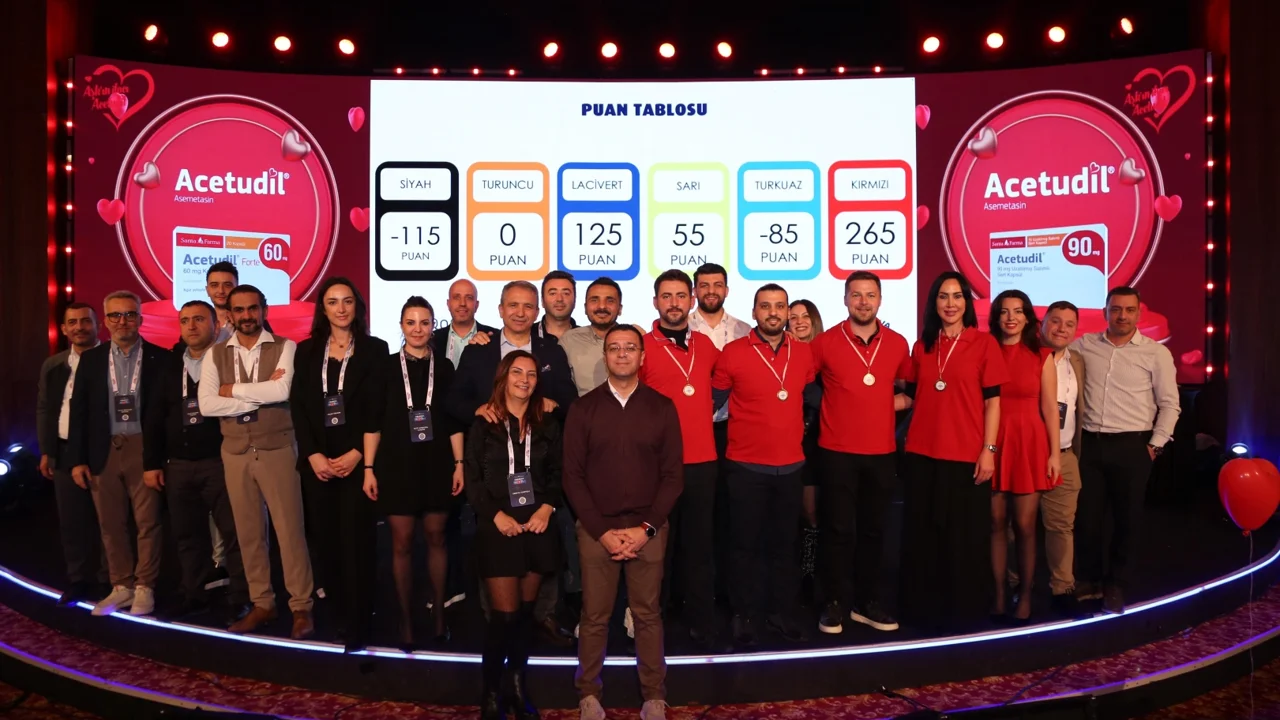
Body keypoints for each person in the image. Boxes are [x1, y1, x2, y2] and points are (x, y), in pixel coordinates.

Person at [563, 325, 683, 720]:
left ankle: (654, 695)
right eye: (614, 348)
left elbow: (673, 477)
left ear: (642, 356)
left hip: (648, 530)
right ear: (605, 357)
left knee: (647, 615)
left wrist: (646, 529)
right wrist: (601, 532)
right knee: (594, 617)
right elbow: (572, 477)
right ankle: (588, 694)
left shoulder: (662, 407)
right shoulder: (583, 409)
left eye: (630, 347)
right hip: (597, 531)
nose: (622, 354)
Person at [449, 280, 578, 647]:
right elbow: (453, 401)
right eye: (513, 305)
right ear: (500, 310)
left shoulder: (551, 350)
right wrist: (479, 410)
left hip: (538, 477)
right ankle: (495, 619)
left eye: (528, 306)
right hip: (493, 478)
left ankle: (543, 617)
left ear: (537, 312)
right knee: (496, 566)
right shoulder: (479, 349)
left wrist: (552, 404)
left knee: (544, 552)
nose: (520, 312)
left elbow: (570, 402)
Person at [198, 285, 316, 639]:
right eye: (239, 310)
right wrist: (259, 394)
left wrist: (231, 391)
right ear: (230, 314)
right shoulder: (215, 354)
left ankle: (301, 606)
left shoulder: (285, 347)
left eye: (253, 308)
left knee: (290, 532)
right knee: (249, 534)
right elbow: (207, 405)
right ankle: (263, 603)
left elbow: (281, 391)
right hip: (234, 452)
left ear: (264, 310)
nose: (246, 315)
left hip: (277, 448)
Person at [899, 272, 1008, 633]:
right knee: (923, 536)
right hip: (921, 454)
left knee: (964, 539)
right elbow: (910, 398)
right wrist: (860, 401)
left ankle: (964, 614)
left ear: (966, 303)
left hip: (966, 456)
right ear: (934, 303)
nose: (950, 303)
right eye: (943, 296)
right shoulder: (922, 346)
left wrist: (989, 450)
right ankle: (922, 613)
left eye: (957, 296)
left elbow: (993, 404)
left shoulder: (984, 344)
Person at [712, 284, 817, 647]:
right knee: (743, 546)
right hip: (745, 467)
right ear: (754, 312)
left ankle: (780, 612)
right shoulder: (733, 353)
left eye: (780, 306)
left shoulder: (804, 353)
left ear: (787, 312)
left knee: (784, 546)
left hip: (790, 468)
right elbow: (711, 405)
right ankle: (743, 615)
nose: (773, 312)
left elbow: (809, 397)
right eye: (766, 306)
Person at [810, 272, 911, 635]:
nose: (863, 302)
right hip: (836, 452)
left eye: (870, 295)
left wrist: (882, 406)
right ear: (845, 299)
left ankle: (867, 603)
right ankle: (834, 603)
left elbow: (911, 391)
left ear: (880, 300)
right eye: (856, 295)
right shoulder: (824, 343)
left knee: (874, 531)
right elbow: (802, 385)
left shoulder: (898, 343)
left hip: (881, 452)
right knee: (837, 531)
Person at [291, 278, 389, 651]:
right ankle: (339, 619)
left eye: (347, 301)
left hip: (357, 461)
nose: (341, 308)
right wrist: (313, 454)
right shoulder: (306, 351)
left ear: (357, 306)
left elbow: (379, 407)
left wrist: (358, 454)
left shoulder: (375, 350)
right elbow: (299, 406)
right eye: (333, 302)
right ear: (323, 308)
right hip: (318, 464)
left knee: (358, 545)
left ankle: (361, 624)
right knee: (327, 544)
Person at [466, 350, 563, 719]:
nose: (525, 379)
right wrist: (496, 516)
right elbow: (473, 480)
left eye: (532, 374)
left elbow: (559, 472)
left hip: (537, 523)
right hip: (498, 525)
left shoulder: (548, 421)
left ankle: (517, 688)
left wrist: (546, 508)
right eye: (517, 372)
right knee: (504, 617)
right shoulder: (484, 422)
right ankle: (491, 694)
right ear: (504, 377)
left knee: (524, 616)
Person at [364, 297, 465, 648]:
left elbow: (454, 422)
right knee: (402, 544)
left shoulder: (445, 367)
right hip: (396, 465)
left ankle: (438, 616)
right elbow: (373, 422)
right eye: (411, 323)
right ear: (401, 326)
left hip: (438, 464)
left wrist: (459, 464)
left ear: (433, 325)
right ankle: (405, 621)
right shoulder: (385, 367)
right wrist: (368, 468)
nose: (418, 329)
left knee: (437, 538)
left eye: (424, 323)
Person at [1071, 287, 1180, 614]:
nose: (1122, 316)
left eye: (1129, 310)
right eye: (1116, 309)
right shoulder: (1084, 345)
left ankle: (1116, 584)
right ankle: (1088, 580)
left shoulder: (1156, 353)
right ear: (1105, 312)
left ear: (1138, 313)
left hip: (1133, 446)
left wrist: (1155, 445)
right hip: (1090, 445)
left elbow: (1170, 404)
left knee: (1127, 520)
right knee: (1087, 520)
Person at [142, 300, 249, 622]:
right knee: (188, 536)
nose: (191, 326)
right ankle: (194, 594)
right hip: (178, 466)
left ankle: (242, 597)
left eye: (199, 319)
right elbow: (154, 418)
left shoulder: (229, 360)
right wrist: (151, 463)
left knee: (235, 533)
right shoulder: (168, 365)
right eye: (185, 320)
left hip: (221, 462)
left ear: (216, 325)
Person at [67, 291, 169, 617]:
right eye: (115, 315)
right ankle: (121, 585)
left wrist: (159, 457)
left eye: (129, 314)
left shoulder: (161, 358)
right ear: (106, 321)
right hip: (104, 449)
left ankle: (145, 586)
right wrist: (77, 459)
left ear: (140, 319)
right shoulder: (91, 360)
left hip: (144, 448)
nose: (122, 321)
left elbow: (166, 413)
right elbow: (79, 411)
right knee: (110, 524)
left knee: (147, 522)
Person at [639, 269, 723, 650]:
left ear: (691, 301)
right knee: (658, 548)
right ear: (655, 302)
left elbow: (726, 382)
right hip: (658, 465)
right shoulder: (641, 346)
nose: (674, 303)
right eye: (666, 296)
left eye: (680, 296)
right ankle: (653, 621)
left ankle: (701, 620)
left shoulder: (706, 345)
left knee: (699, 546)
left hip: (703, 461)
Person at [988, 290, 1060, 623]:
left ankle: (1026, 594)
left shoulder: (1042, 355)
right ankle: (1000, 593)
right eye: (1004, 312)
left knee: (1025, 525)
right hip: (992, 441)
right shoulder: (986, 351)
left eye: (1018, 311)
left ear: (1028, 317)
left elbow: (1050, 408)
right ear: (996, 317)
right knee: (995, 523)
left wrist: (1054, 454)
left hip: (1029, 443)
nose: (1011, 318)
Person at [36, 302, 107, 605]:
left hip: (104, 451)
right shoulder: (53, 365)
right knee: (72, 522)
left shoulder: (112, 360)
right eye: (73, 322)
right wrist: (47, 451)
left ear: (97, 325)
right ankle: (79, 580)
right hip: (64, 453)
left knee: (109, 521)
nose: (80, 327)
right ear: (64, 329)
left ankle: (109, 580)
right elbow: (45, 409)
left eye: (85, 321)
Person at [1039, 301, 1086, 617]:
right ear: (1042, 323)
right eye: (1055, 321)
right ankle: (1016, 586)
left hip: (1066, 456)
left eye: (1069, 324)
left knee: (1062, 527)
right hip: (1027, 455)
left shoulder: (1077, 361)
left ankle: (1062, 587)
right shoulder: (1026, 356)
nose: (1061, 329)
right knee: (1015, 527)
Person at [788, 298, 824, 603]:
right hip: (785, 445)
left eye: (805, 316)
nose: (799, 321)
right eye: (793, 317)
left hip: (819, 445)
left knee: (813, 512)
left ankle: (810, 573)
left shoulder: (825, 358)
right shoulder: (782, 356)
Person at [560, 277, 624, 397]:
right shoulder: (569, 340)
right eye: (594, 300)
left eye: (610, 301)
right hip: (583, 408)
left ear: (620, 309)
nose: (602, 306)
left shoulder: (634, 340)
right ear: (585, 308)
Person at [433, 279, 498, 369]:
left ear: (476, 305)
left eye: (469, 298)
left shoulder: (494, 337)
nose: (462, 303)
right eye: (456, 297)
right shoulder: (432, 340)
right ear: (448, 304)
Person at [538, 270, 579, 339]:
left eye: (566, 293)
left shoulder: (586, 338)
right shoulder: (527, 334)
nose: (559, 299)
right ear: (542, 301)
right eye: (553, 293)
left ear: (575, 300)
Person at [205, 261, 239, 343]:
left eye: (227, 285)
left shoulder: (252, 321)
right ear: (207, 290)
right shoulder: (198, 323)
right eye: (214, 285)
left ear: (236, 288)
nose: (221, 291)